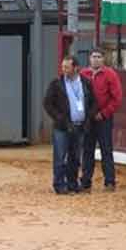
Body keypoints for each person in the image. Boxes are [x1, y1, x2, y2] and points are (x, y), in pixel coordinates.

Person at [43, 56, 98, 194]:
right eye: (63, 67)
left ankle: (72, 183)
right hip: (62, 127)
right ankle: (59, 184)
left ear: (76, 68)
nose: (64, 70)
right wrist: (60, 118)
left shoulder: (86, 82)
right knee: (60, 156)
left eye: (67, 67)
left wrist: (88, 119)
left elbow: (94, 103)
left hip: (80, 125)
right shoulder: (56, 83)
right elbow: (48, 104)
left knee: (75, 157)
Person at [80, 48, 123, 193]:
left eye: (99, 57)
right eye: (94, 57)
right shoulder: (83, 74)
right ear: (89, 59)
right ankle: (86, 182)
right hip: (87, 119)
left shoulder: (110, 74)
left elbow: (116, 99)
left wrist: (104, 113)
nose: (96, 59)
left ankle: (109, 182)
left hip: (104, 119)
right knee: (87, 150)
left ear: (103, 59)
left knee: (106, 150)